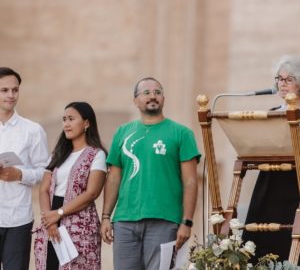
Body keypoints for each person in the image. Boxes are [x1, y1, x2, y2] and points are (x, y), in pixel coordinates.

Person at [101, 77, 201, 270]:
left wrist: (187, 222)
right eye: (146, 93)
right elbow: (113, 178)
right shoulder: (123, 132)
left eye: (158, 92)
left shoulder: (182, 133)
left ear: (163, 98)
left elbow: (190, 181)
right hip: (124, 221)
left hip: (165, 221)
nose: (152, 96)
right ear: (135, 100)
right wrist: (106, 216)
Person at [34, 102, 107, 270]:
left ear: (87, 123)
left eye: (71, 119)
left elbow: (92, 193)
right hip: (51, 219)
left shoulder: (96, 155)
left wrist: (59, 213)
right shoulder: (57, 154)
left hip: (79, 222)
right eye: (64, 119)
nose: (66, 124)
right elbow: (44, 189)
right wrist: (49, 221)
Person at [243, 55, 300, 262]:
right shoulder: (273, 113)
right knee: (264, 242)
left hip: (295, 183)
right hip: (270, 183)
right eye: (279, 79)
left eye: (289, 79)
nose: (282, 84)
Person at [0, 67, 49, 270]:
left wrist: (20, 174)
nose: (11, 95)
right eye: (4, 90)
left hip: (17, 219)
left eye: (15, 90)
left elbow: (45, 172)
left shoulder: (32, 130)